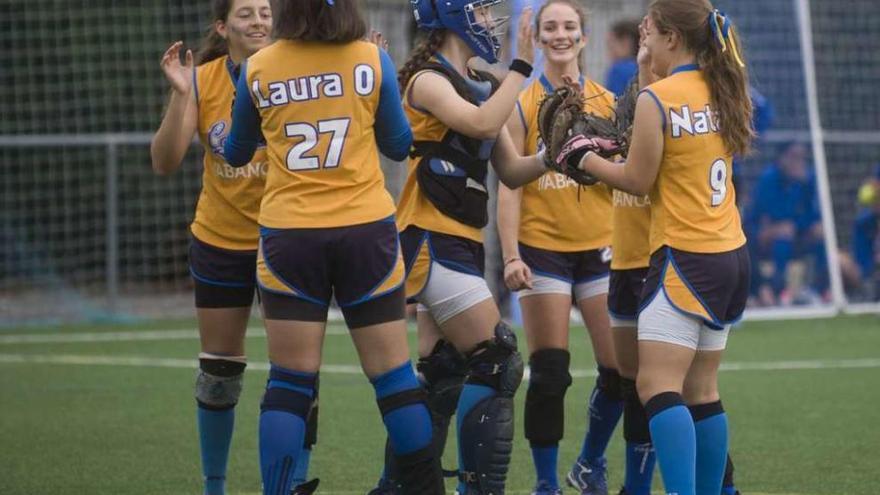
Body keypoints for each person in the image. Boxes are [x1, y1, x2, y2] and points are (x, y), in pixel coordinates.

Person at [222, 1, 449, 493]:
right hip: (366, 231)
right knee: (393, 377)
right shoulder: (370, 58)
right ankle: (427, 488)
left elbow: (237, 152)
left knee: (289, 382)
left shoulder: (259, 65)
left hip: (290, 236)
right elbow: (397, 143)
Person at [554, 1, 753, 494]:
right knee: (701, 392)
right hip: (731, 254)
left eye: (652, 34)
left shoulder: (658, 98)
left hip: (685, 257)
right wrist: (646, 69)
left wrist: (582, 157)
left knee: (654, 387)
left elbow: (638, 181)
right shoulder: (724, 85)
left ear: (670, 38)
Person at [372, 1, 549, 493]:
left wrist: (559, 153)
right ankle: (477, 487)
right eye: (477, 9)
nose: (488, 20)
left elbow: (512, 170)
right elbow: (480, 124)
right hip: (429, 236)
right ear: (448, 18)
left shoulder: (488, 86)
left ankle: (397, 486)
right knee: (498, 358)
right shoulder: (427, 79)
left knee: (444, 374)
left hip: (462, 242)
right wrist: (521, 65)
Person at [150, 2, 318, 494]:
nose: (260, 21)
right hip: (221, 239)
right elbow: (165, 161)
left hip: (287, 238)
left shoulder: (296, 73)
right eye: (246, 13)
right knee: (220, 369)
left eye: (266, 12)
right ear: (223, 27)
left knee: (298, 370)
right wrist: (183, 95)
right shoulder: (202, 80)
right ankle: (215, 486)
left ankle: (296, 482)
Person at [496, 1, 623, 493]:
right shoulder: (521, 103)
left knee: (618, 371)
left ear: (584, 37)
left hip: (601, 251)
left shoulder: (609, 103)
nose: (561, 34)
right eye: (551, 26)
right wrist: (511, 255)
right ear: (537, 36)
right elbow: (510, 185)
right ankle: (546, 484)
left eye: (570, 26)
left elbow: (626, 182)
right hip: (542, 250)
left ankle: (589, 462)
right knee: (549, 373)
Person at [745, 141, 826, 305]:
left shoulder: (807, 180)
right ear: (781, 158)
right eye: (793, 157)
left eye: (802, 158)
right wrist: (783, 226)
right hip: (763, 235)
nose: (799, 162)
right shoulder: (769, 179)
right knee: (782, 239)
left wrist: (798, 224)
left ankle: (818, 290)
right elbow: (766, 215)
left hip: (795, 231)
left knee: (821, 235)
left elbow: (813, 215)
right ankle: (777, 292)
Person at [605, 19, 640, 97]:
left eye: (610, 46)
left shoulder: (619, 70)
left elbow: (612, 104)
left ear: (625, 42)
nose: (608, 53)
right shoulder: (650, 68)